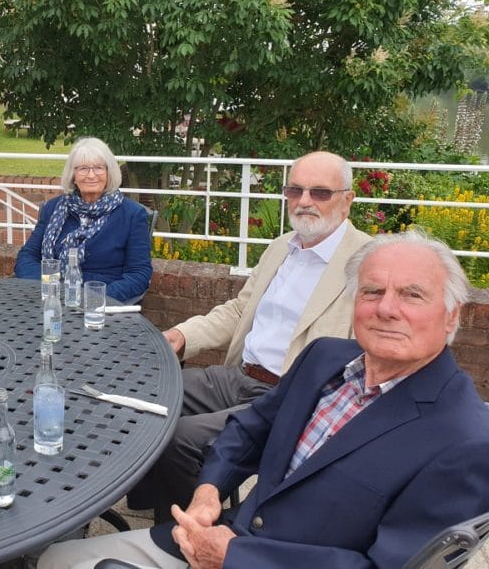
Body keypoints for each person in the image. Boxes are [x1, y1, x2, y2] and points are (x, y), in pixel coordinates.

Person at [39, 230, 489, 569]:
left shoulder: (465, 440)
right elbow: (250, 429)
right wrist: (209, 492)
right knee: (55, 558)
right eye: (373, 291)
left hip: (250, 559)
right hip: (222, 535)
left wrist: (237, 555)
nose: (386, 308)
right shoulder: (327, 358)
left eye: (412, 295)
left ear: (452, 313)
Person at [127, 150, 371, 519]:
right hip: (240, 375)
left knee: (178, 437)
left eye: (320, 193)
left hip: (290, 397)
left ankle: (183, 534)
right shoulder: (280, 248)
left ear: (347, 200)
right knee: (143, 391)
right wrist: (180, 334)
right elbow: (240, 310)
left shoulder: (367, 262)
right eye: (295, 190)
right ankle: (160, 502)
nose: (304, 201)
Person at [13, 137, 153, 303]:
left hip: (102, 304)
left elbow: (139, 274)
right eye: (83, 169)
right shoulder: (53, 209)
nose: (91, 175)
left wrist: (97, 298)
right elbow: (27, 256)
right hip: (52, 300)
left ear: (109, 173)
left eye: (99, 168)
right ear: (73, 175)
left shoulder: (132, 214)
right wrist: (47, 288)